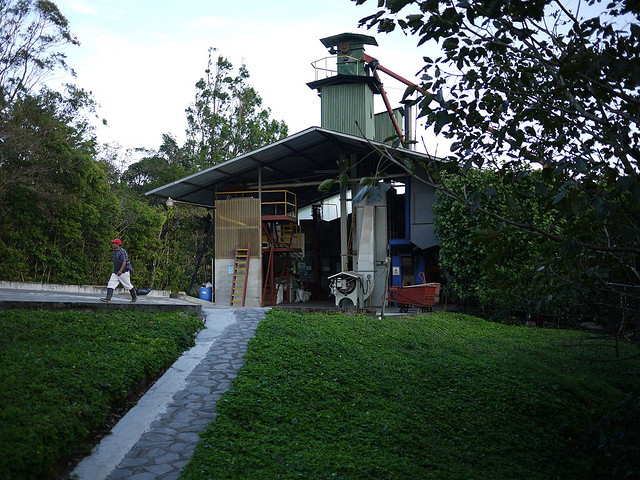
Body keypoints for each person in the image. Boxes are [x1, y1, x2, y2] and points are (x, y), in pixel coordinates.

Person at [100, 238, 137, 303]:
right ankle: (108, 298)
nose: (113, 244)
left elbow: (124, 261)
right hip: (116, 272)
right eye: (113, 243)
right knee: (110, 284)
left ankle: (134, 298)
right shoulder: (115, 251)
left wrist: (120, 270)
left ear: (118, 244)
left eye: (114, 243)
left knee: (128, 285)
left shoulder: (122, 251)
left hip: (123, 272)